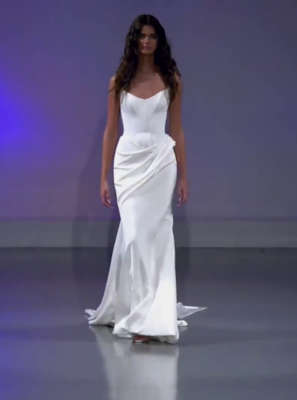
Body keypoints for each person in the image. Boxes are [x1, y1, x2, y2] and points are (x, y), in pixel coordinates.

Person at [85, 14, 204, 343]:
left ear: (158, 41)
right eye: (142, 36)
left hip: (161, 162)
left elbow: (177, 129)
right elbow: (111, 131)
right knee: (135, 236)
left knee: (156, 237)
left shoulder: (172, 80)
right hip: (128, 165)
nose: (146, 41)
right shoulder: (118, 82)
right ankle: (136, 309)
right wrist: (103, 177)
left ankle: (148, 318)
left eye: (152, 36)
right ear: (134, 41)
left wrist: (184, 175)